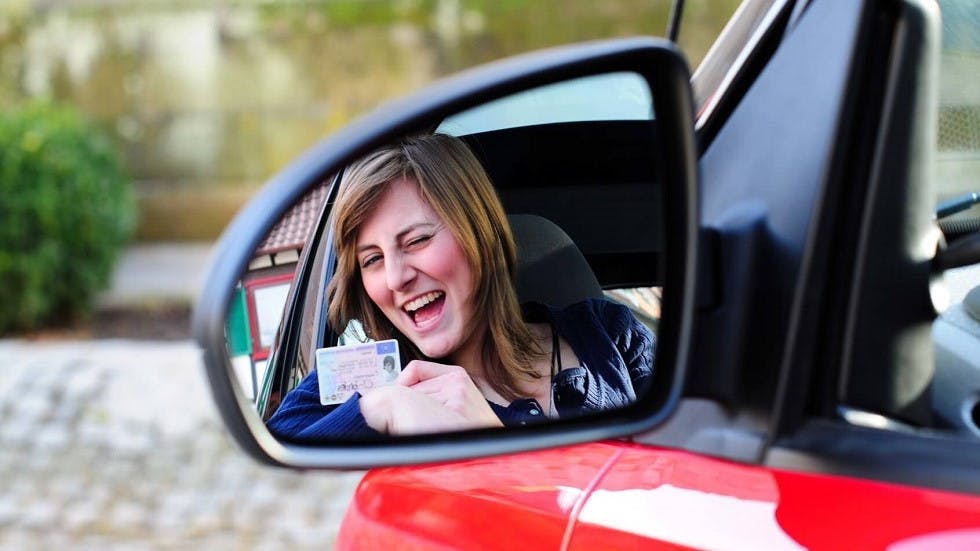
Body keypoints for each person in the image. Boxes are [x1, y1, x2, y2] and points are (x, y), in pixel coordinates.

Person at [266, 133, 654, 441]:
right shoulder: (368, 377)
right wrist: (381, 408)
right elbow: (273, 473)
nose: (396, 277)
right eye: (372, 260)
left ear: (480, 233)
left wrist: (495, 441)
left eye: (417, 240)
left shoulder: (607, 333)